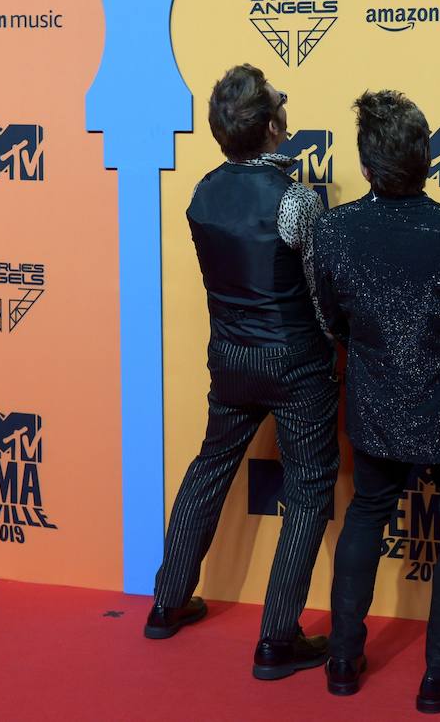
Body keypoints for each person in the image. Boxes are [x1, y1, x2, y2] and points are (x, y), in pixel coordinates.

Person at [313, 90, 440, 714]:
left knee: (366, 513)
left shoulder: (334, 230)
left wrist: (379, 361)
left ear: (368, 167)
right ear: (428, 158)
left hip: (376, 405)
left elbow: (331, 319)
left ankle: (344, 661)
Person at [144, 63, 340, 684]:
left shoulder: (201, 191)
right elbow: (319, 295)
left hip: (229, 357)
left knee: (209, 466)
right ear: (276, 128)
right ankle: (276, 640)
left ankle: (166, 603)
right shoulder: (298, 199)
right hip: (295, 360)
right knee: (308, 487)